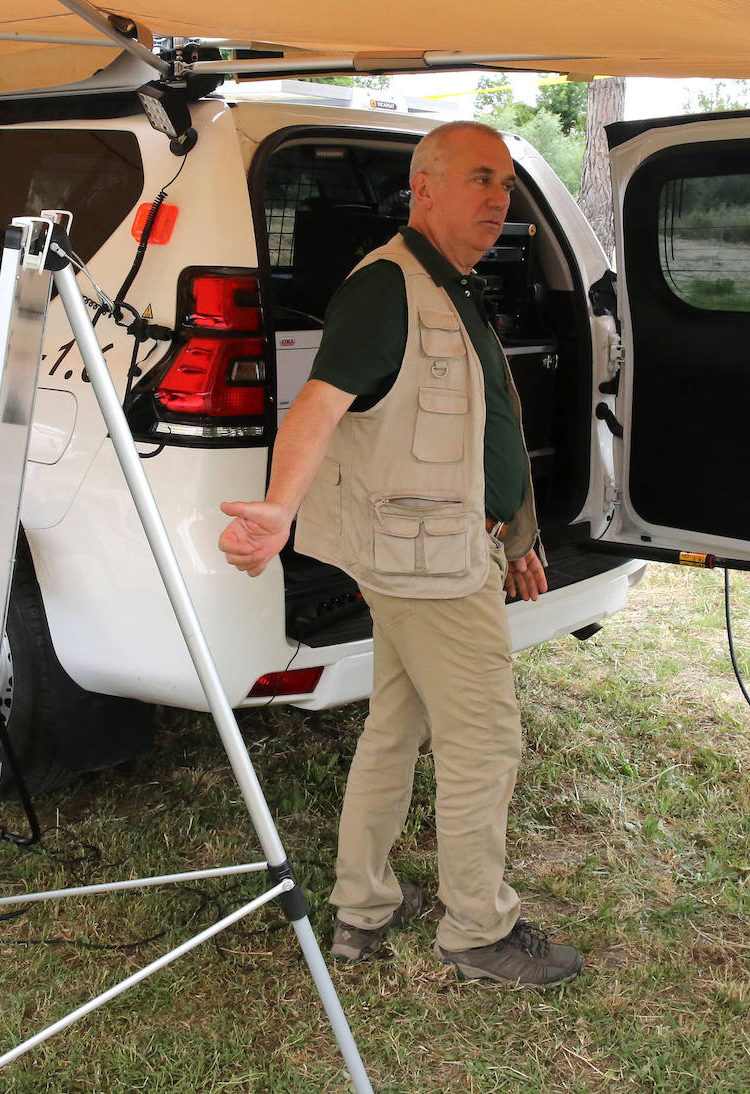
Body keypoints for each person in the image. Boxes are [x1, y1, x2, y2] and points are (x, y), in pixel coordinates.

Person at [218, 121, 583, 987]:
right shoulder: (387, 287)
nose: (499, 198)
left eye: (505, 183)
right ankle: (477, 933)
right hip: (428, 565)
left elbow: (487, 427)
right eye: (479, 179)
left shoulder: (448, 285)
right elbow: (316, 405)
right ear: (425, 189)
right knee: (485, 739)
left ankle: (362, 906)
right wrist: (277, 508)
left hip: (451, 548)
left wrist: (517, 536)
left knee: (397, 725)